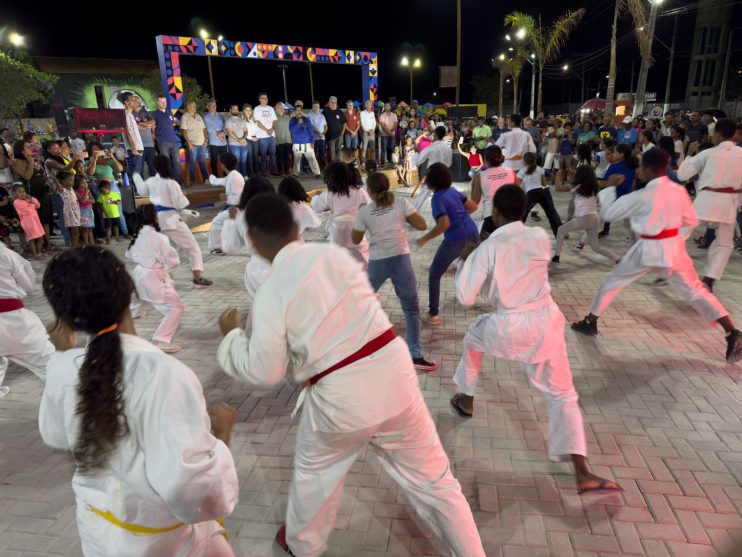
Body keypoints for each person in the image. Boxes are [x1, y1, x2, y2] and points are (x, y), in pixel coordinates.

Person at [216, 193, 486, 557]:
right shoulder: (333, 256)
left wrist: (232, 337)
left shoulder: (272, 290)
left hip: (340, 394)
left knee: (316, 474)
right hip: (393, 370)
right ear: (296, 226)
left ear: (252, 239)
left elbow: (266, 372)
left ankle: (301, 543)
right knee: (437, 484)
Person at [38, 246, 239, 557]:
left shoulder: (63, 366)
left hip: (98, 532)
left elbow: (55, 434)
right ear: (129, 290)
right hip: (162, 543)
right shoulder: (165, 374)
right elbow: (189, 491)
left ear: (64, 318)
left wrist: (62, 354)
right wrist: (221, 437)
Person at [450, 184, 622, 495]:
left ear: (496, 212)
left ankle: (467, 398)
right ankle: (582, 471)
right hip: (546, 321)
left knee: (475, 336)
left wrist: (468, 258)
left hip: (509, 325)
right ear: (524, 211)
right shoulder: (540, 237)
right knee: (563, 395)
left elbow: (464, 296)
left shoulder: (488, 248)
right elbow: (518, 258)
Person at [571, 149, 742, 364]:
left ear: (649, 169)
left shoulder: (643, 195)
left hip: (648, 248)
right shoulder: (679, 191)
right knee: (696, 291)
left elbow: (610, 214)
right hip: (673, 248)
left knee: (612, 282)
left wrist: (610, 187)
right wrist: (674, 239)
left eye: (641, 166)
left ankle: (590, 322)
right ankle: (732, 331)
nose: (639, 170)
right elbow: (690, 220)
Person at [352, 172, 438, 371]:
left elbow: (356, 240)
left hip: (377, 262)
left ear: (370, 191)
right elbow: (422, 225)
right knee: (411, 308)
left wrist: (362, 219)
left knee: (360, 302)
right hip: (400, 259)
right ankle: (415, 354)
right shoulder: (400, 202)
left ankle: (354, 348)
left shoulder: (365, 211)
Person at [677, 119, 742, 292]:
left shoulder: (708, 153)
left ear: (719, 134)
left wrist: (689, 154)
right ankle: (710, 278)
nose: (712, 136)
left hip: (706, 200)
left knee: (682, 231)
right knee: (725, 244)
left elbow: (683, 174)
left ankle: (669, 264)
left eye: (714, 133)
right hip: (729, 202)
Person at [136, 155, 213, 288]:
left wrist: (136, 175)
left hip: (156, 220)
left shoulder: (150, 181)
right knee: (193, 247)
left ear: (154, 167)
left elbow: (141, 190)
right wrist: (182, 195)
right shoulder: (171, 183)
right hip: (171, 220)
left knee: (168, 250)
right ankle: (197, 278)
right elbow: (180, 205)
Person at [416, 163, 479, 325]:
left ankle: (433, 314)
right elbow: (473, 206)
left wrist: (425, 238)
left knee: (435, 273)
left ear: (431, 180)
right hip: (473, 234)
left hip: (455, 240)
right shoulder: (453, 191)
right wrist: (461, 217)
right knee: (475, 267)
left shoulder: (437, 198)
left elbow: (444, 224)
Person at [127, 205, 185, 354]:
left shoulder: (137, 234)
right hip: (152, 276)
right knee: (176, 308)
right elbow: (173, 261)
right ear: (154, 217)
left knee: (138, 299)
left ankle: (129, 319)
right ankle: (162, 339)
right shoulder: (159, 237)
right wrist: (164, 266)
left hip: (138, 273)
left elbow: (129, 254)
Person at [0, 241, 54, 398]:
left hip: (10, 316)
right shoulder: (6, 255)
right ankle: (72, 391)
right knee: (48, 362)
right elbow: (29, 285)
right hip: (13, 321)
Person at [552, 165, 619, 265]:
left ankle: (556, 257)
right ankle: (617, 259)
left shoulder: (578, 187)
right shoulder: (593, 188)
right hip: (594, 218)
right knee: (596, 248)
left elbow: (558, 189)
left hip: (584, 218)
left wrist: (558, 176)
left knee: (561, 230)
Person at [312, 162, 370, 265]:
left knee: (337, 254)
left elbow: (317, 206)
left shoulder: (331, 193)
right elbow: (368, 205)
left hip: (337, 227)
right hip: (354, 225)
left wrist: (315, 197)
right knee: (361, 252)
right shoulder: (358, 191)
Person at [11, 139, 52, 252]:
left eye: (31, 146)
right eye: (28, 147)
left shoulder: (35, 160)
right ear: (21, 150)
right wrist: (30, 162)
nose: (31, 148)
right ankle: (36, 249)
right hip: (29, 195)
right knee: (34, 224)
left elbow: (42, 173)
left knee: (45, 221)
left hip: (42, 193)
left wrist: (45, 179)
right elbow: (27, 176)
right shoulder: (17, 161)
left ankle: (47, 244)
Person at [470, 146, 516, 239]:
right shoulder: (511, 172)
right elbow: (517, 195)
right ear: (501, 157)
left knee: (488, 248)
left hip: (491, 217)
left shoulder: (480, 176)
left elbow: (474, 202)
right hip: (510, 217)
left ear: (485, 159)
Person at [518, 151, 562, 237]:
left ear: (525, 161)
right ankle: (559, 234)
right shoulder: (539, 169)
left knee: (522, 214)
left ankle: (516, 233)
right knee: (551, 214)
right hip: (541, 192)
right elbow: (544, 184)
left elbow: (517, 184)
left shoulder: (522, 170)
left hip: (530, 193)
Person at [598, 144, 638, 238]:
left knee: (606, 211)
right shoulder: (632, 165)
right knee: (627, 216)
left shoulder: (613, 166)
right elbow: (634, 179)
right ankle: (631, 233)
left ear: (621, 154)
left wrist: (593, 181)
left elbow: (606, 182)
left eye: (615, 152)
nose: (613, 154)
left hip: (615, 194)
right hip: (627, 194)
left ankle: (605, 230)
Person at [208, 152, 244, 254]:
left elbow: (239, 197)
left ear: (223, 165)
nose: (220, 165)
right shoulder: (232, 175)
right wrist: (212, 179)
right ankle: (221, 246)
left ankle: (219, 247)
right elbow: (221, 181)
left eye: (221, 163)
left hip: (236, 209)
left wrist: (226, 197)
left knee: (216, 222)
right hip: (234, 208)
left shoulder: (235, 177)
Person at [152, 96, 183, 183]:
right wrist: (154, 137)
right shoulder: (154, 114)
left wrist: (179, 127)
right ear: (157, 103)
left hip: (173, 140)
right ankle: (168, 181)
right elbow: (153, 127)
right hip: (162, 141)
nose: (164, 103)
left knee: (177, 161)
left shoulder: (169, 113)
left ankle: (179, 181)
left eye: (165, 102)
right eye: (161, 102)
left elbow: (175, 121)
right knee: (166, 162)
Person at [289, 101, 321, 177]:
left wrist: (312, 141)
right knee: (297, 159)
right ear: (295, 111)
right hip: (297, 143)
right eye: (297, 110)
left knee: (312, 158)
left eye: (300, 110)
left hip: (307, 142)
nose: (299, 112)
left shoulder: (307, 119)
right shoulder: (292, 120)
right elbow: (292, 131)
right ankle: (296, 173)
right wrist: (298, 123)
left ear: (302, 111)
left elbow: (310, 131)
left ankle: (317, 173)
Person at [180, 101, 209, 184]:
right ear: (188, 107)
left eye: (195, 106)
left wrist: (206, 140)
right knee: (192, 162)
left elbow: (204, 129)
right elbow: (183, 131)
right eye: (192, 106)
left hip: (202, 144)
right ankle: (192, 180)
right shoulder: (184, 117)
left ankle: (206, 179)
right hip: (192, 144)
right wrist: (189, 143)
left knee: (202, 162)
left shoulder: (199, 116)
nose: (194, 107)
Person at [13, 184, 44, 258]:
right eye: (19, 192)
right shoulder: (16, 202)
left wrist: (32, 199)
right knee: (32, 239)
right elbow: (28, 211)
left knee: (41, 238)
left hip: (36, 222)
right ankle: (34, 255)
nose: (23, 193)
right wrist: (31, 204)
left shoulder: (28, 200)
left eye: (23, 191)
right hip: (28, 223)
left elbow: (38, 205)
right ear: (15, 194)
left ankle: (39, 253)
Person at [121, 92, 144, 180]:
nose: (135, 101)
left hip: (137, 146)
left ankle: (134, 190)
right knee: (136, 171)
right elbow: (127, 131)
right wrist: (133, 146)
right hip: (134, 147)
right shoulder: (125, 115)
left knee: (136, 170)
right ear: (126, 102)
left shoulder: (130, 115)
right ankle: (135, 191)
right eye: (132, 99)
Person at [254, 93, 278, 176]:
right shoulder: (257, 109)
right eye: (263, 98)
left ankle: (272, 172)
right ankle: (263, 173)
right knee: (263, 155)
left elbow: (275, 121)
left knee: (272, 155)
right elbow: (257, 122)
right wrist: (267, 130)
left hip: (272, 135)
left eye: (266, 98)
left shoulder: (271, 108)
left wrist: (271, 129)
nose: (265, 99)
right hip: (263, 136)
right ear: (259, 99)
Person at [132, 96, 157, 177]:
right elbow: (134, 127)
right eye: (137, 102)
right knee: (139, 169)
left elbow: (153, 122)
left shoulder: (145, 112)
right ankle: (141, 188)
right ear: (132, 102)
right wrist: (146, 125)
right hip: (138, 146)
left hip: (150, 145)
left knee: (153, 168)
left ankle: (155, 187)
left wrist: (141, 124)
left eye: (140, 102)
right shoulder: (130, 114)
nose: (139, 103)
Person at [203, 99, 228, 178]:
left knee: (224, 160)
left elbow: (225, 125)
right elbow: (209, 128)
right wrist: (219, 134)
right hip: (213, 142)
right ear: (208, 107)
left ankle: (226, 175)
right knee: (214, 160)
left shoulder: (220, 115)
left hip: (223, 141)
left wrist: (222, 133)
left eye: (215, 105)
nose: (214, 107)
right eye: (212, 106)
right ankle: (215, 177)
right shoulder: (206, 117)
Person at [57, 170, 80, 247]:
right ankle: (73, 247)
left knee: (76, 231)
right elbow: (57, 183)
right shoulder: (62, 190)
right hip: (70, 213)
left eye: (73, 180)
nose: (72, 182)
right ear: (62, 181)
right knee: (74, 231)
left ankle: (75, 246)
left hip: (76, 212)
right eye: (70, 180)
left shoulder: (72, 189)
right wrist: (54, 178)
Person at [225, 104, 249, 177]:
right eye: (233, 109)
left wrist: (243, 139)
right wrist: (239, 140)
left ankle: (244, 175)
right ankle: (237, 177)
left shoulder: (242, 120)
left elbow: (246, 131)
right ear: (230, 110)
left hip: (243, 144)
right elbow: (230, 132)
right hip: (234, 144)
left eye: (237, 109)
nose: (235, 110)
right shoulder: (228, 121)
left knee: (243, 161)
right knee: (236, 162)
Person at [75, 174, 95, 246]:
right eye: (82, 183)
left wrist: (87, 198)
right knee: (85, 230)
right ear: (78, 183)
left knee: (90, 229)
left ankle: (92, 245)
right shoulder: (76, 192)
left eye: (86, 182)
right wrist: (86, 193)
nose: (85, 184)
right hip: (83, 211)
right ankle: (87, 245)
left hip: (90, 210)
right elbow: (82, 201)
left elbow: (93, 201)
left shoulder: (88, 191)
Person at [308, 101, 328, 169]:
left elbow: (325, 126)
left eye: (318, 106)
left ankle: (322, 168)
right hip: (314, 138)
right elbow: (311, 126)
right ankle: (314, 168)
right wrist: (319, 134)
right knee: (314, 154)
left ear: (319, 107)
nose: (316, 108)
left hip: (322, 138)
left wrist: (323, 133)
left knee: (322, 153)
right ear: (312, 107)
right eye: (315, 106)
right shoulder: (309, 115)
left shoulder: (321, 115)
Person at [324, 96, 345, 162]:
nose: (333, 104)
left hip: (339, 136)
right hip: (330, 137)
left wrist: (342, 134)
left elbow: (344, 123)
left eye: (335, 102)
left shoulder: (340, 112)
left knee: (339, 152)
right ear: (329, 103)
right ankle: (334, 168)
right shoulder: (325, 112)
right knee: (332, 155)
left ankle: (339, 166)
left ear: (336, 103)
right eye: (332, 102)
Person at [274, 102, 293, 176]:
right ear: (276, 108)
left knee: (287, 157)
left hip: (288, 140)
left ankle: (287, 171)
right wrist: (275, 139)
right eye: (278, 107)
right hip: (279, 140)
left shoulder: (287, 117)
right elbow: (272, 129)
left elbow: (291, 128)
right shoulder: (274, 118)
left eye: (281, 107)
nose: (280, 108)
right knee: (280, 157)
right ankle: (280, 172)